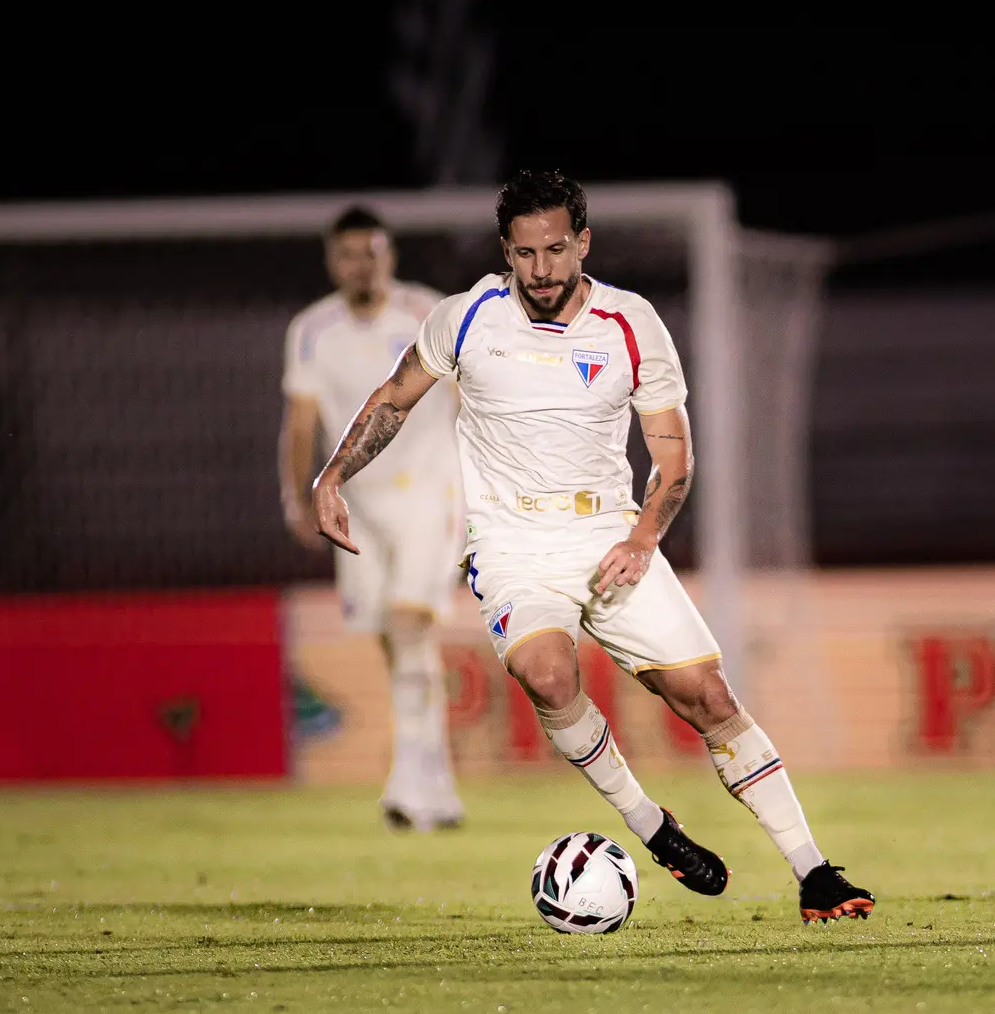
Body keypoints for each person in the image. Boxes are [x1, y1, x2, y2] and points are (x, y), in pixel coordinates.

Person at [309, 170, 874, 923]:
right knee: (548, 674)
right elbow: (393, 398)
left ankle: (813, 871)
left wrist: (643, 539)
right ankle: (651, 824)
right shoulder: (465, 317)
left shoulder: (630, 324)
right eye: (523, 253)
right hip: (510, 546)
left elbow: (673, 461)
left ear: (583, 241)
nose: (540, 270)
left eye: (554, 249)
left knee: (707, 697)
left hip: (609, 534)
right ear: (504, 250)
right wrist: (333, 474)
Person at [281, 205, 467, 831]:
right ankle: (436, 782)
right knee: (398, 643)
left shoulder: (427, 313)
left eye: (373, 251)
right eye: (349, 253)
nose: (362, 264)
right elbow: (302, 421)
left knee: (410, 624)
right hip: (357, 505)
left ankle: (408, 784)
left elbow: (470, 400)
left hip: (429, 493)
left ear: (391, 256)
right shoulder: (312, 330)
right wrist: (297, 495)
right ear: (333, 261)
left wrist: (483, 489)